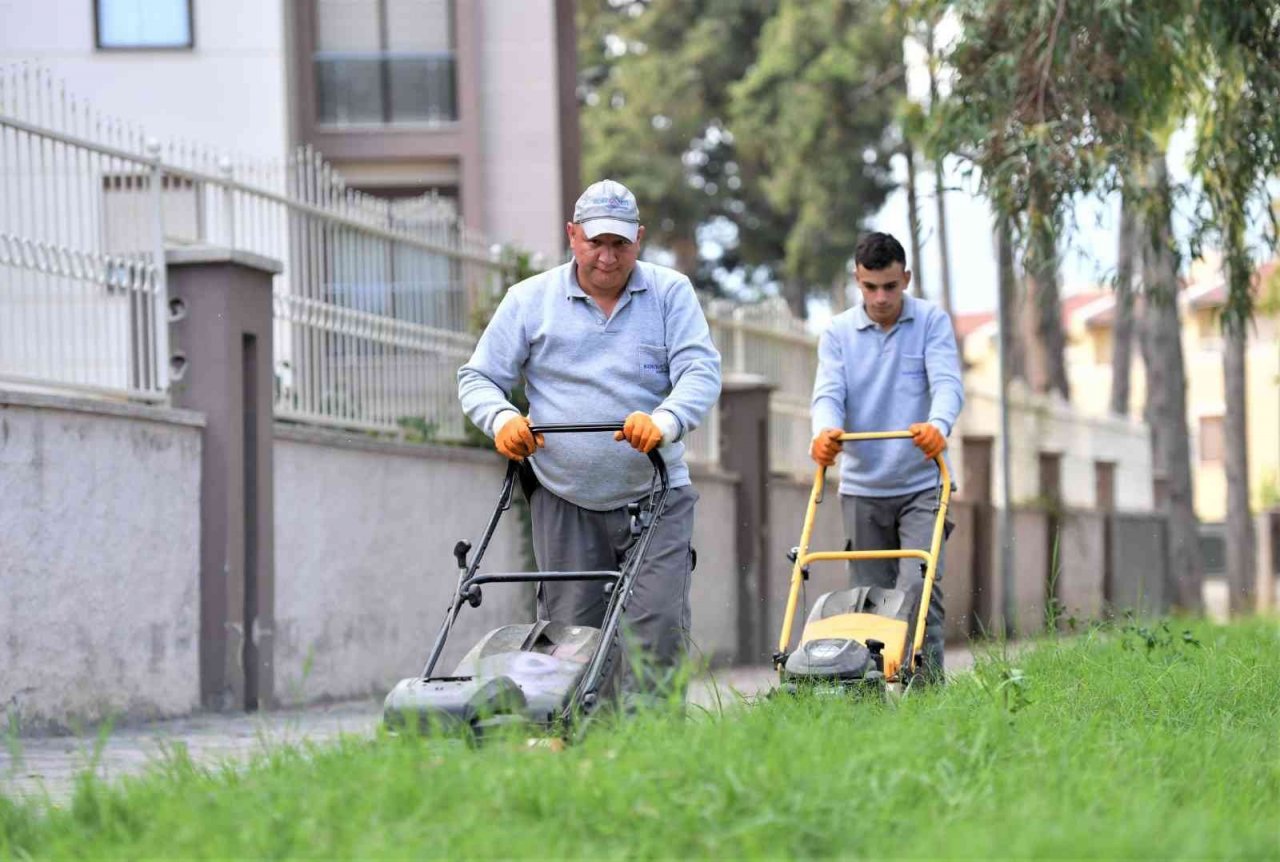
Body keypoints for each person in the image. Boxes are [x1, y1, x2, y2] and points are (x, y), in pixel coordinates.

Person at [457, 178, 722, 698]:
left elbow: (700, 372)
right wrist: (502, 419)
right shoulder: (529, 300)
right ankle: (576, 742)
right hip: (563, 494)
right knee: (569, 638)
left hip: (656, 492)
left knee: (655, 626)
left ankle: (651, 745)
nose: (607, 256)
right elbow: (478, 377)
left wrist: (664, 420)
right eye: (595, 241)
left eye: (619, 243)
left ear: (638, 240)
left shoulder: (670, 294)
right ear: (572, 236)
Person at [809, 231, 964, 681]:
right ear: (858, 281)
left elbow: (948, 385)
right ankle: (871, 690)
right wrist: (824, 433)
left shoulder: (931, 322)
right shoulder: (838, 332)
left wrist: (939, 426)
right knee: (869, 599)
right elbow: (828, 394)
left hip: (921, 481)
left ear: (906, 279)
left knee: (918, 587)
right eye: (870, 287)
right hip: (863, 486)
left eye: (890, 287)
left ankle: (927, 689)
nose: (880, 298)